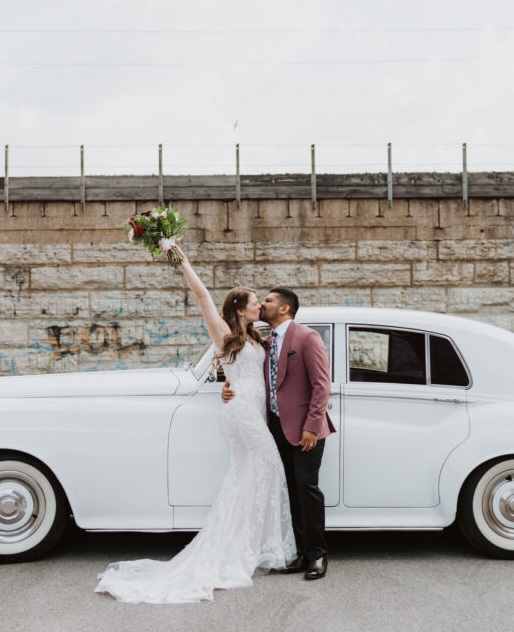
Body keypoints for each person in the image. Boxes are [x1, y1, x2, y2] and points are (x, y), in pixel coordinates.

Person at [94, 243, 296, 603]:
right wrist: (178, 255)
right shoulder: (223, 333)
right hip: (242, 415)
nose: (258, 305)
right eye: (253, 301)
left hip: (251, 410)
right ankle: (249, 547)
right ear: (239, 307)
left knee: (251, 475)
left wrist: (227, 385)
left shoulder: (254, 337)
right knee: (267, 466)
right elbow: (202, 295)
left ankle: (248, 544)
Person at [222, 288, 335, 580]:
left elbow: (322, 385)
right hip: (275, 428)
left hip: (307, 430)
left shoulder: (306, 337)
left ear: (284, 308)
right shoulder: (267, 341)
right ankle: (299, 554)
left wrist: (312, 426)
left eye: (268, 301)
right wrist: (227, 385)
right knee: (291, 492)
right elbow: (249, 372)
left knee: (307, 490)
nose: (262, 305)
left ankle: (318, 556)